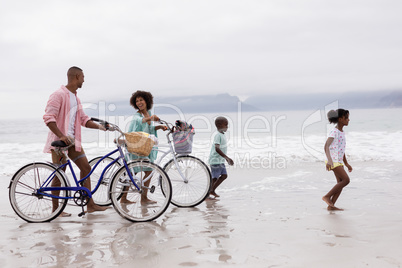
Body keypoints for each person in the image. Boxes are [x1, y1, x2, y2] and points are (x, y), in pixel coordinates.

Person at [43, 66, 109, 216]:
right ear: (77, 76)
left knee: (86, 169)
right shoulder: (58, 94)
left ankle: (90, 204)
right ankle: (56, 210)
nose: (84, 80)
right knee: (60, 174)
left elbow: (84, 120)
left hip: (72, 142)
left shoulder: (76, 98)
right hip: (59, 142)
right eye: (83, 77)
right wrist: (61, 135)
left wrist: (101, 127)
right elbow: (48, 118)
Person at [122, 90, 167, 204]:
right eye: (137, 101)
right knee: (133, 172)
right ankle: (123, 198)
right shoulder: (137, 115)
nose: (139, 102)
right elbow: (140, 121)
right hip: (136, 145)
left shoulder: (148, 113)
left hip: (145, 146)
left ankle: (144, 198)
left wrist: (159, 127)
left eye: (141, 100)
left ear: (147, 101)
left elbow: (149, 129)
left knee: (148, 170)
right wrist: (150, 118)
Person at [322, 109, 352, 211]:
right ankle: (326, 197)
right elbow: (326, 146)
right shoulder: (334, 132)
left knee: (340, 183)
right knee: (346, 180)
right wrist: (329, 160)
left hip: (338, 160)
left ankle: (331, 206)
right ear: (340, 119)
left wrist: (346, 163)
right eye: (346, 118)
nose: (348, 120)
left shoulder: (342, 132)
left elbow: (341, 150)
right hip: (333, 160)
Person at [208, 116, 234, 198]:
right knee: (214, 178)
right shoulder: (218, 135)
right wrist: (227, 158)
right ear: (219, 125)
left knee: (224, 176)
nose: (227, 126)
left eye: (227, 124)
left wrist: (225, 158)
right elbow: (217, 149)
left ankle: (212, 190)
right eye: (225, 124)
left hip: (220, 160)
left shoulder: (222, 135)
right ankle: (208, 193)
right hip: (215, 160)